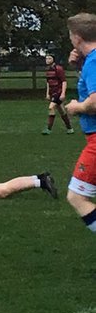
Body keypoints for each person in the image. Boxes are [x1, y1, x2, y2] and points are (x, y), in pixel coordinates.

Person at [63, 13, 96, 237]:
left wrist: (77, 107)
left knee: (77, 197)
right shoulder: (90, 61)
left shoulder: (93, 60)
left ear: (77, 38)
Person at [42, 53, 73, 135]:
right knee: (62, 111)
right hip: (52, 93)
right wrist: (48, 93)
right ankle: (70, 128)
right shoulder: (48, 70)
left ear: (53, 60)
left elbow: (64, 81)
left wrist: (63, 93)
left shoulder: (58, 69)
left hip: (58, 92)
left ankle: (48, 129)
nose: (47, 60)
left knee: (51, 107)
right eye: (46, 58)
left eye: (49, 58)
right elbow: (48, 82)